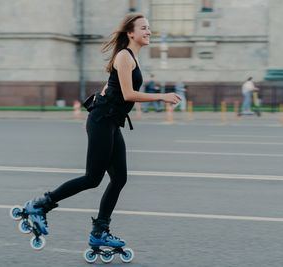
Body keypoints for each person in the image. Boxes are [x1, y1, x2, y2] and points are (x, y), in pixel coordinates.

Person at [16, 13, 180, 249]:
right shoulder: (124, 56)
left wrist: (98, 105)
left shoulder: (130, 57)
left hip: (109, 120)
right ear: (130, 33)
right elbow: (127, 94)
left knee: (119, 178)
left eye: (149, 28)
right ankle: (41, 205)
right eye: (143, 28)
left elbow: (109, 88)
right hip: (103, 120)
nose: (149, 31)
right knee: (93, 178)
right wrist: (162, 96)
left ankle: (100, 231)